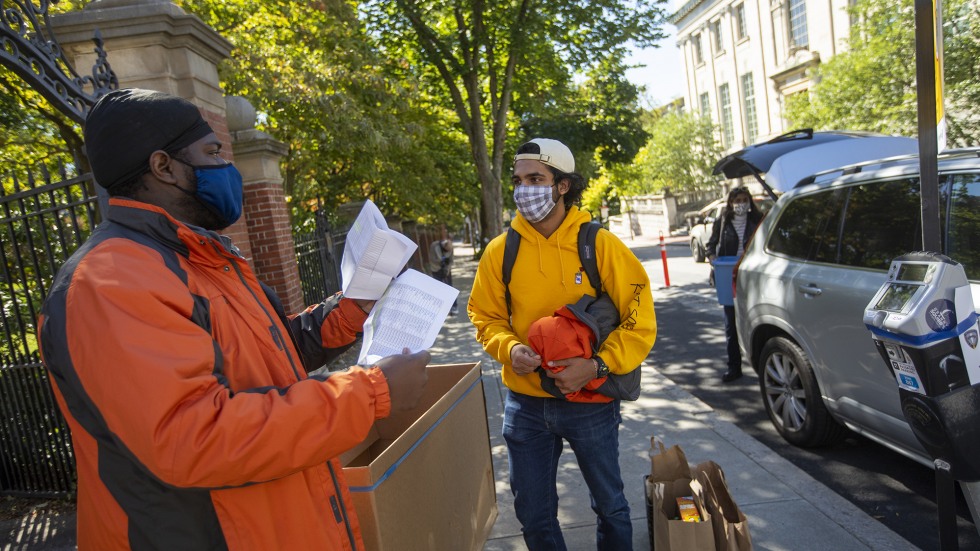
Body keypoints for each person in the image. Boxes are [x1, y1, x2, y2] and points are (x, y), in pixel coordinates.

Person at [36, 88, 430, 550]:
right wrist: (372, 392)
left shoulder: (196, 257)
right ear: (164, 167)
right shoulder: (110, 281)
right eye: (212, 152)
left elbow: (273, 353)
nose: (228, 167)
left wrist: (354, 307)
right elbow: (194, 438)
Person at [468, 138, 656, 550]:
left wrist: (598, 366)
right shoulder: (500, 252)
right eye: (518, 180)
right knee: (534, 518)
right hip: (525, 405)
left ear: (563, 185)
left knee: (611, 508)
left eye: (536, 178)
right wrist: (509, 349)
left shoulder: (598, 245)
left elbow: (639, 320)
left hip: (591, 405)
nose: (524, 189)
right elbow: (485, 317)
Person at [706, 186, 764, 382]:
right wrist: (713, 259)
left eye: (744, 200)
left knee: (757, 321)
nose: (741, 204)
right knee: (731, 325)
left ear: (749, 201)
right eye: (737, 200)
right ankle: (734, 367)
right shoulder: (722, 221)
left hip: (751, 275)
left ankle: (762, 367)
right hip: (728, 276)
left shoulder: (758, 220)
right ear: (730, 203)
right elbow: (710, 245)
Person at [428, 229, 458, 315]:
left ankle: (454, 306)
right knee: (438, 288)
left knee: (450, 287)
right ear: (443, 246)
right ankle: (441, 309)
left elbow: (451, 260)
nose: (447, 252)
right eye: (446, 250)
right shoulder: (434, 246)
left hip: (446, 270)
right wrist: (440, 261)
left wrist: (447, 267)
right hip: (436, 269)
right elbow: (432, 259)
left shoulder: (450, 248)